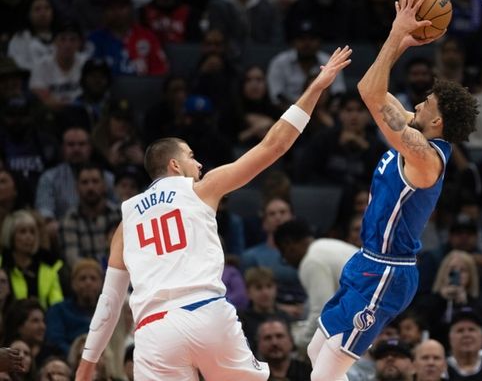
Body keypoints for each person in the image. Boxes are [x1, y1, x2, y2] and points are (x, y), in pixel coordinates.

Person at [74, 46, 352, 381]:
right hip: (205, 313)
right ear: (175, 164)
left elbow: (110, 301)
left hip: (153, 331)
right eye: (192, 156)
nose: (200, 163)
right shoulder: (201, 188)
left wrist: (87, 364)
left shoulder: (126, 220)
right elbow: (274, 145)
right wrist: (316, 87)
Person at [307, 0, 478, 381]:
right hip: (366, 260)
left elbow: (370, 95)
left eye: (427, 103)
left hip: (389, 271)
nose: (418, 103)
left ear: (438, 123)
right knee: (314, 351)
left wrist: (396, 32)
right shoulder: (415, 130)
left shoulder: (424, 155)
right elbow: (370, 87)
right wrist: (399, 42)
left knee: (325, 375)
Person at [272, 219, 358, 351]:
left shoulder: (311, 261)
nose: (287, 262)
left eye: (283, 255)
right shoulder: (325, 245)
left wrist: (296, 343)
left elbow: (323, 313)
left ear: (288, 245)